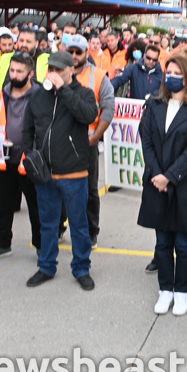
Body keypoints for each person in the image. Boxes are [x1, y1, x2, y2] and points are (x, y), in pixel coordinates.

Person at [138, 54, 187, 316]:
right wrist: (157, 174)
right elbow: (145, 140)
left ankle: (181, 292)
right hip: (157, 184)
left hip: (184, 185)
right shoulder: (155, 104)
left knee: (183, 244)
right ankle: (164, 290)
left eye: (178, 73)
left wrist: (169, 176)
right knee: (162, 244)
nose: (171, 77)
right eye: (168, 71)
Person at [23, 50, 98, 290]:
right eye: (49, 69)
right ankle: (46, 266)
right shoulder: (38, 96)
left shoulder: (83, 93)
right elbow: (28, 127)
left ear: (71, 70)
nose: (52, 73)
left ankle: (81, 268)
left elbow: (88, 114)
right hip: (45, 173)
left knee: (78, 224)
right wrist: (30, 154)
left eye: (58, 70)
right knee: (48, 224)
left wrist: (63, 90)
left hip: (74, 173)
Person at [0, 53, 42, 260]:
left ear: (31, 74)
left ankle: (40, 245)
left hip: (31, 160)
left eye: (20, 71)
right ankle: (3, 243)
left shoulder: (41, 95)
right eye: (12, 70)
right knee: (3, 206)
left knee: (36, 206)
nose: (14, 75)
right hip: (3, 159)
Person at [68, 34, 115, 249]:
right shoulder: (56, 72)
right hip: (60, 143)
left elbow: (108, 108)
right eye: (71, 52)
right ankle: (60, 227)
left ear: (87, 53)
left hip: (87, 142)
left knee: (88, 189)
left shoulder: (98, 75)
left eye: (79, 52)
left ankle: (91, 231)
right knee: (58, 186)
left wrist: (95, 138)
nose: (75, 56)